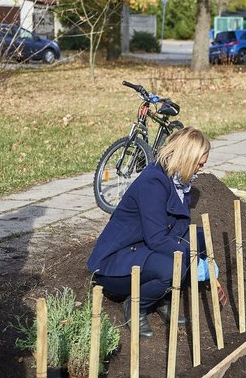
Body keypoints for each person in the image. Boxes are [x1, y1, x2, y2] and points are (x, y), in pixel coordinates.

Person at [87, 127, 215, 338]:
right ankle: (136, 306)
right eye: (199, 164)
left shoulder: (178, 182)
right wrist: (190, 256)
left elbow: (177, 229)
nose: (200, 170)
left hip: (141, 247)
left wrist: (196, 250)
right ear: (186, 158)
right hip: (117, 261)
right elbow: (156, 238)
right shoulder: (153, 182)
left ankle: (161, 298)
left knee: (199, 239)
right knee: (172, 266)